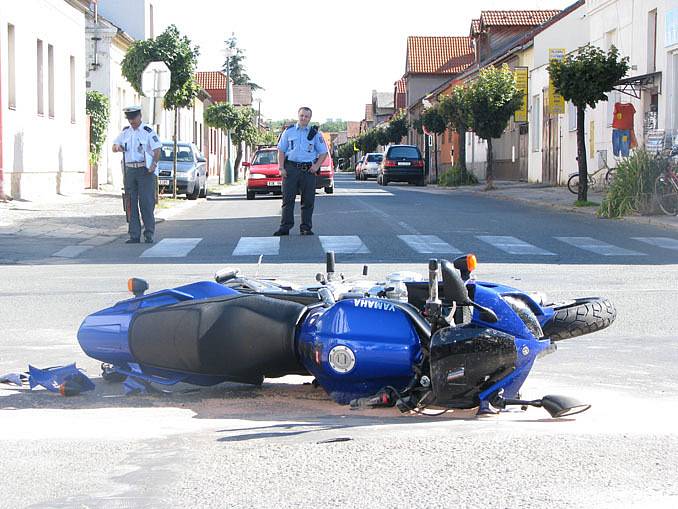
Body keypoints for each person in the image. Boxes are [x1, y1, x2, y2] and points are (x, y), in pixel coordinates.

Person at [274, 107, 328, 236]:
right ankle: (285, 227)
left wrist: (316, 166)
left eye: (307, 116)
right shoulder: (289, 131)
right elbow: (281, 150)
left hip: (308, 170)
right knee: (288, 199)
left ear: (310, 118)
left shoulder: (315, 134)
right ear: (298, 116)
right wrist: (281, 168)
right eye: (302, 115)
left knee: (308, 200)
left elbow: (323, 152)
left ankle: (306, 227)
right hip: (291, 169)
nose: (304, 118)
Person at [112, 106, 162, 244]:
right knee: (130, 202)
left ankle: (149, 233)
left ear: (140, 116)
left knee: (146, 202)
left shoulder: (148, 132)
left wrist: (154, 165)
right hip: (130, 170)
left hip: (144, 170)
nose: (131, 121)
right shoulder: (125, 132)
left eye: (133, 118)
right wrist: (118, 147)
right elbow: (114, 146)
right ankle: (134, 234)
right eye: (129, 118)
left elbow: (157, 149)